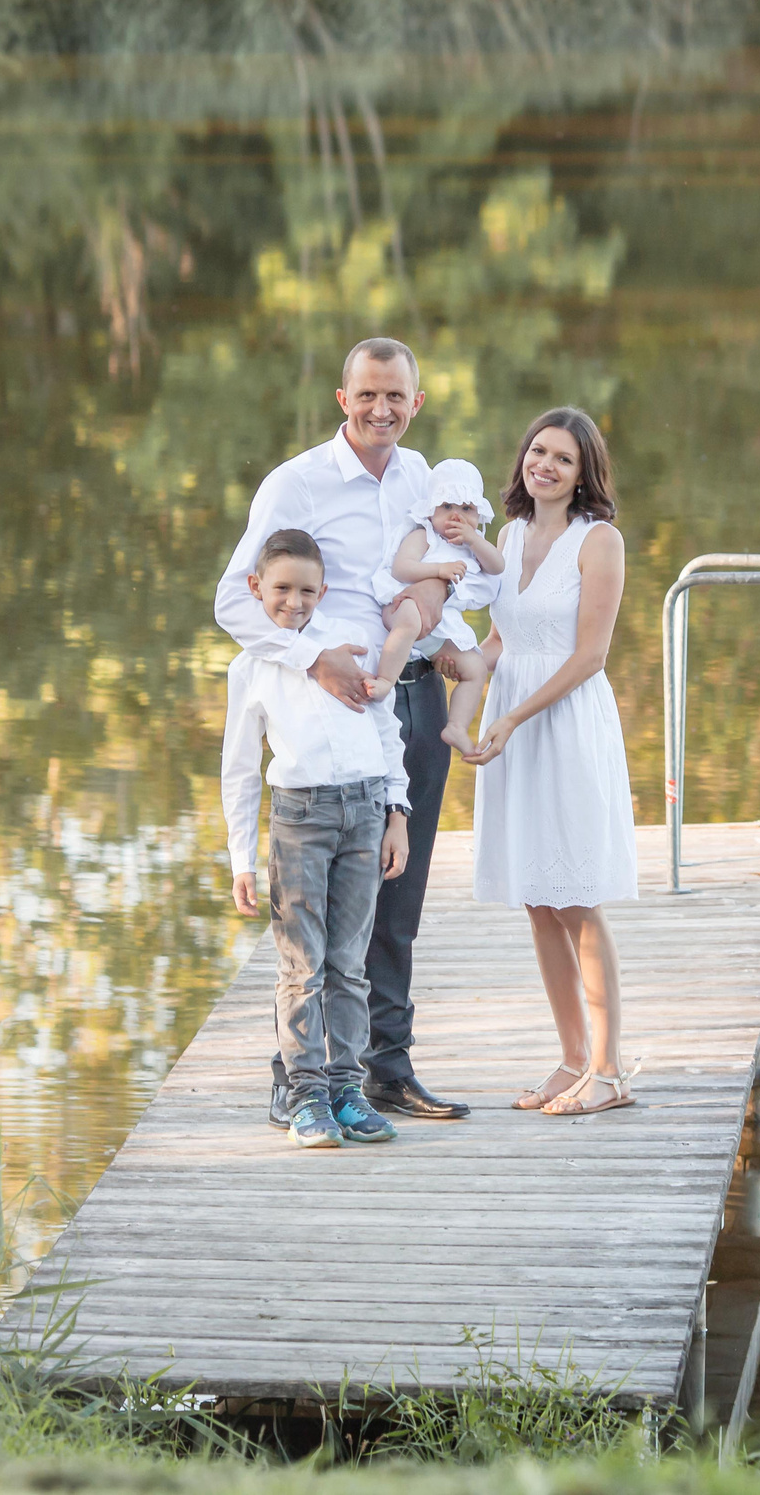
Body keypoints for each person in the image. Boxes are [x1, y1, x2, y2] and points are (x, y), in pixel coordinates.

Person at [213, 337, 491, 1124]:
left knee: (396, 898)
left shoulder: (422, 479)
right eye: (367, 394)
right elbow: (234, 603)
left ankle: (384, 1068)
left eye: (395, 396)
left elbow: (448, 569)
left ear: (416, 401)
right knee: (322, 913)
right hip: (332, 708)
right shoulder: (295, 484)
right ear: (343, 398)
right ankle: (294, 1073)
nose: (381, 409)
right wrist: (311, 658)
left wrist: (439, 607)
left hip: (412, 700)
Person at [463, 406, 643, 1117]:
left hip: (562, 722)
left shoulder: (598, 542)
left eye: (562, 458)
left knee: (576, 895)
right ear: (523, 460)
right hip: (511, 718)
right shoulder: (507, 536)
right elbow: (501, 639)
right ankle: (572, 1057)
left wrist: (510, 715)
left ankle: (610, 1069)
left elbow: (590, 655)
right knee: (538, 896)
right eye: (538, 451)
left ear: (583, 474)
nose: (545, 465)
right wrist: (458, 663)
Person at [219, 529, 410, 1149]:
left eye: (307, 590)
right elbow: (242, 770)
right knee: (302, 969)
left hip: (363, 813)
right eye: (281, 589)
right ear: (256, 589)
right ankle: (305, 1096)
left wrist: (396, 813)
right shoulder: (251, 668)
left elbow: (386, 731)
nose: (294, 602)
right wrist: (240, 859)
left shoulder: (345, 648)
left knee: (349, 966)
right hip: (300, 820)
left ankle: (347, 1090)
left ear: (323, 591)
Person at [370, 458, 504, 754]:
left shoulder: (473, 546)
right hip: (403, 603)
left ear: (478, 514)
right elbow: (402, 569)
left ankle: (456, 726)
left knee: (475, 667)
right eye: (447, 507)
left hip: (440, 626)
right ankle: (384, 679)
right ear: (430, 510)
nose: (456, 516)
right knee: (411, 622)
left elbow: (497, 566)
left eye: (466, 509)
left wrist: (474, 541)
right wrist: (439, 571)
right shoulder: (423, 535)